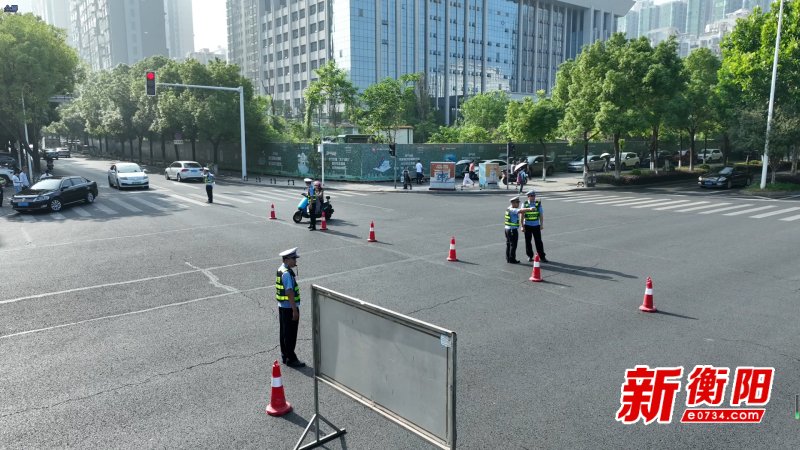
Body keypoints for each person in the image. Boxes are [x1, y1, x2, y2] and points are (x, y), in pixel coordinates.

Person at [276, 247, 305, 368]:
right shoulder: (287, 274)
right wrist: (294, 310)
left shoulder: (281, 269)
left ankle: (285, 354)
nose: (295, 261)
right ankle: (291, 358)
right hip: (289, 308)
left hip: (282, 307)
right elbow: (289, 292)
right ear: (287, 259)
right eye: (294, 258)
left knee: (284, 332)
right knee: (290, 334)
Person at [521, 190, 548, 263]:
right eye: (532, 196)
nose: (533, 197)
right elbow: (522, 215)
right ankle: (530, 256)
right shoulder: (525, 204)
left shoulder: (538, 204)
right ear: (528, 196)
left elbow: (541, 215)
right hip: (527, 225)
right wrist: (522, 226)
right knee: (528, 241)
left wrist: (541, 224)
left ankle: (542, 256)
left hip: (536, 225)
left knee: (538, 241)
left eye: (534, 196)